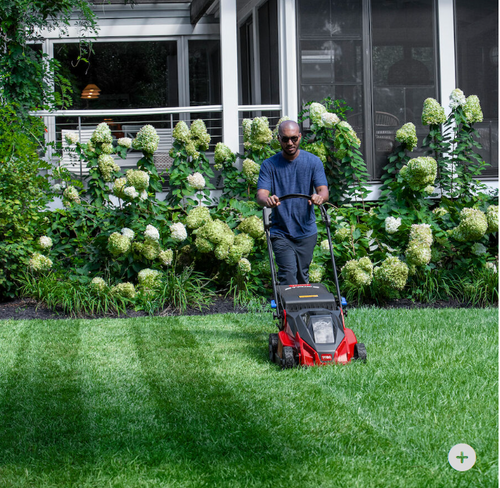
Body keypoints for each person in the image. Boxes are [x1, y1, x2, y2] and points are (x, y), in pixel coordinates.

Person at [256, 120, 329, 285]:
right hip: (281, 232)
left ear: (300, 137)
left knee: (303, 276)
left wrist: (319, 197)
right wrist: (267, 200)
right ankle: (287, 311)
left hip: (306, 231)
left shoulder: (313, 162)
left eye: (294, 138)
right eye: (285, 139)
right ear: (278, 139)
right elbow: (261, 195)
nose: (290, 143)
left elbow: (323, 191)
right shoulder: (269, 165)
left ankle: (303, 310)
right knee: (288, 275)